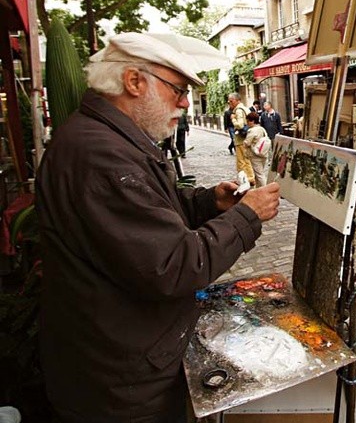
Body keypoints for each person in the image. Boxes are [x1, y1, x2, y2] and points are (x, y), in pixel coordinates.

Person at [35, 32, 281, 422]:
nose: (185, 102)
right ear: (134, 82)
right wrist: (247, 215)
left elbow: (145, 217)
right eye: (177, 90)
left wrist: (205, 202)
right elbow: (174, 264)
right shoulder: (102, 156)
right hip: (120, 384)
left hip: (117, 365)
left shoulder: (107, 141)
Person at [228, 92, 255, 183]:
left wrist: (233, 119)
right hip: (246, 138)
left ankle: (246, 179)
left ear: (237, 100)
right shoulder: (245, 109)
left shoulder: (238, 110)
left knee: (242, 161)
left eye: (231, 101)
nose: (229, 103)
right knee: (247, 159)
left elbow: (239, 125)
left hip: (241, 139)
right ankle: (250, 178)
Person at [243, 112, 269, 188]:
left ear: (252, 121)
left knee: (259, 174)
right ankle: (258, 189)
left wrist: (244, 142)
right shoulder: (262, 129)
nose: (247, 123)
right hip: (263, 153)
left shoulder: (252, 130)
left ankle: (265, 190)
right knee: (258, 173)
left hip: (255, 155)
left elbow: (247, 143)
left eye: (248, 121)